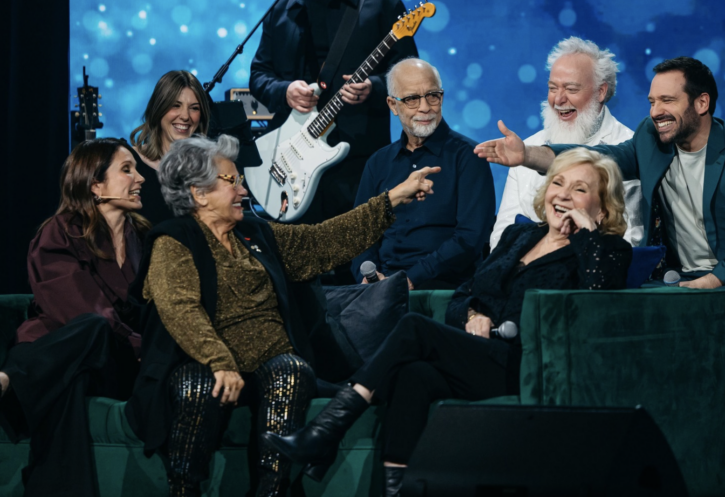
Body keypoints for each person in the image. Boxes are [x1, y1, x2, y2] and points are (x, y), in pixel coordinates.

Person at [264, 148, 632, 497]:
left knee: (414, 326)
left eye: (580, 189)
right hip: (480, 355)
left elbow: (597, 297)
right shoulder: (518, 236)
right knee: (413, 376)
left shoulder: (610, 251)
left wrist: (588, 235)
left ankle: (325, 431)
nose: (564, 195)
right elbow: (461, 296)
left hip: (530, 366)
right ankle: (395, 490)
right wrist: (473, 316)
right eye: (558, 183)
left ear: (602, 206)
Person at [124, 134, 438, 497]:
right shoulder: (173, 241)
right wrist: (219, 361)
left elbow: (321, 242)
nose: (243, 189)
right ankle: (184, 490)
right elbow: (180, 309)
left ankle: (273, 492)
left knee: (292, 370)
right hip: (204, 359)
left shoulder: (254, 232)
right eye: (232, 181)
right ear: (198, 193)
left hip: (270, 357)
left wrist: (391, 199)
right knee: (194, 384)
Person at [475, 56, 725, 321]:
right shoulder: (651, 136)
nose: (656, 112)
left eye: (667, 101)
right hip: (681, 277)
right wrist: (527, 155)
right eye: (652, 101)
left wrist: (710, 281)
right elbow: (602, 158)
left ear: (702, 103)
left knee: (697, 317)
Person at [0, 138, 149, 497]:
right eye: (127, 170)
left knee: (94, 339)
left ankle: (9, 381)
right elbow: (75, 306)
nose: (140, 178)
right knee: (82, 351)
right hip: (59, 349)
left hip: (111, 362)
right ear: (95, 185)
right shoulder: (61, 231)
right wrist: (134, 340)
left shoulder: (143, 236)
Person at [250, 0, 418, 239]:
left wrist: (373, 86)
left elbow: (411, 80)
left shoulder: (381, 4)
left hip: (358, 167)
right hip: (292, 166)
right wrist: (284, 91)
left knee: (354, 267)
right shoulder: (282, 10)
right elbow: (258, 76)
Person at [351, 58, 496, 290]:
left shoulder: (469, 156)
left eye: (433, 96)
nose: (425, 107)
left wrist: (410, 279)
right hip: (379, 289)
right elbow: (360, 233)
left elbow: (471, 238)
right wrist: (368, 277)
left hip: (445, 289)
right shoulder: (378, 162)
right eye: (411, 99)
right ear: (392, 105)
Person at [491, 36, 642, 249]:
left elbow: (631, 239)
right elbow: (502, 234)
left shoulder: (630, 149)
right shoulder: (526, 148)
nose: (559, 100)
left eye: (571, 89)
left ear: (601, 91)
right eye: (553, 88)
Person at [129, 70, 212, 225]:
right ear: (159, 108)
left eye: (194, 108)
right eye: (176, 106)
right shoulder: (129, 163)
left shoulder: (208, 169)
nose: (185, 116)